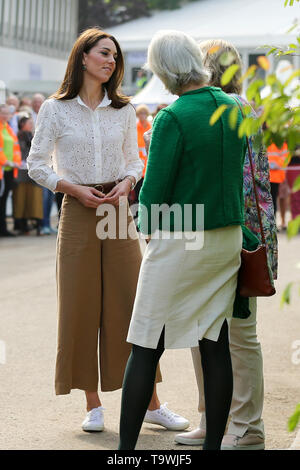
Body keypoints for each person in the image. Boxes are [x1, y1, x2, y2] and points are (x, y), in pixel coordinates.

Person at [27, 27, 188, 433]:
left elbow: (134, 161)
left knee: (133, 304)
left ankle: (151, 402)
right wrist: (71, 188)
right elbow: (37, 164)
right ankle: (92, 404)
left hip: (117, 210)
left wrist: (128, 182)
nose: (111, 61)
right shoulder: (55, 109)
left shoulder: (124, 110)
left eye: (114, 56)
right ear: (83, 57)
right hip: (78, 210)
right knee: (80, 306)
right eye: (104, 53)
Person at [118, 30, 246, 451]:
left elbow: (153, 194)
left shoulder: (172, 116)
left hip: (182, 238)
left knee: (146, 342)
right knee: (214, 341)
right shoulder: (234, 107)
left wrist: (148, 232)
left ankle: (126, 453)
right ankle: (213, 445)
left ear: (164, 69)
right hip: (227, 237)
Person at [174, 38, 277, 451]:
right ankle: (212, 418)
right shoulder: (222, 107)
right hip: (218, 228)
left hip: (238, 230)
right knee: (205, 331)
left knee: (239, 334)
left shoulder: (233, 108)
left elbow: (241, 181)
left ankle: (248, 428)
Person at [13, 116, 43, 235]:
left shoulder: (32, 135)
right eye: (29, 123)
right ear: (22, 124)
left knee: (34, 200)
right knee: (21, 200)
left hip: (32, 173)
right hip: (21, 172)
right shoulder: (19, 135)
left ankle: (37, 224)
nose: (31, 125)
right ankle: (22, 226)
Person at [0, 104, 21, 237]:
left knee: (3, 201)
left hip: (9, 170)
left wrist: (16, 163)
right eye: (3, 113)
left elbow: (15, 149)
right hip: (2, 169)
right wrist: (5, 161)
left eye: (7, 113)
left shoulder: (8, 129)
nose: (5, 115)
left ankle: (3, 229)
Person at [135, 104, 151, 201]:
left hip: (148, 164)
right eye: (140, 113)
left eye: (144, 113)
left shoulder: (151, 126)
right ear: (137, 114)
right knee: (138, 193)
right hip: (138, 165)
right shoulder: (134, 127)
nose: (143, 115)